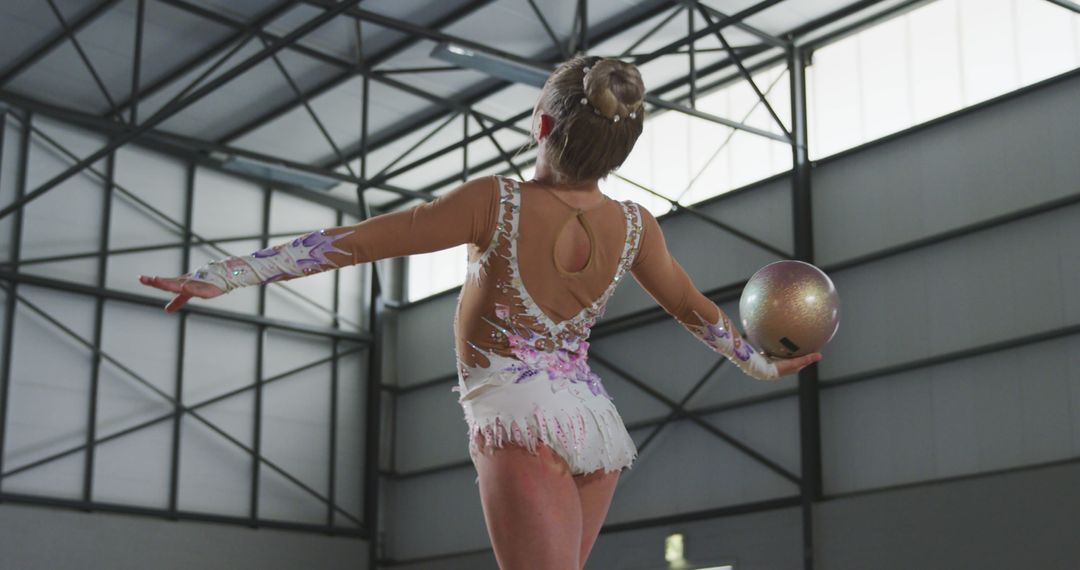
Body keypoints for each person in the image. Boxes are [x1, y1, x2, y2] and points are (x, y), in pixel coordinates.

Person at [138, 55, 821, 570]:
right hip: (593, 425)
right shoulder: (637, 226)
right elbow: (692, 308)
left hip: (517, 423)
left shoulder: (497, 202)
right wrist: (759, 364)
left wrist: (225, 274)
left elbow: (360, 242)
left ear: (542, 124)